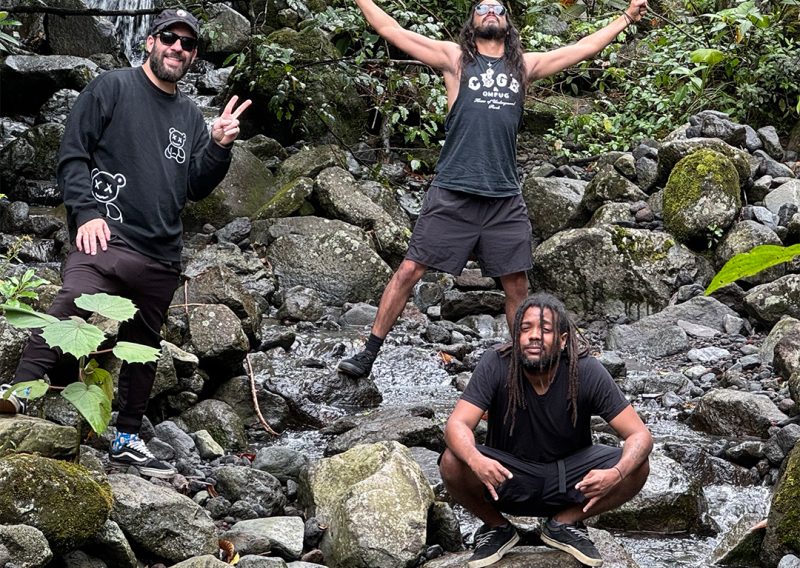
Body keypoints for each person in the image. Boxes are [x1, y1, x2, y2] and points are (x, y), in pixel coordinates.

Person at [337, 0, 649, 379]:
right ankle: (368, 354)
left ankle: (523, 369)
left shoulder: (524, 67)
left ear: (507, 22)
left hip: (503, 197)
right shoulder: (455, 59)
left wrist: (626, 17)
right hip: (453, 190)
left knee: (516, 284)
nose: (490, 11)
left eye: (497, 8)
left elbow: (583, 48)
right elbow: (391, 30)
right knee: (409, 269)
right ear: (472, 21)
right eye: (482, 7)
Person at [0, 9, 251, 479]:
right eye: (170, 38)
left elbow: (196, 186)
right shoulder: (110, 88)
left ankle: (127, 437)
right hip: (106, 235)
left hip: (161, 253)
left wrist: (218, 145)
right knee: (71, 302)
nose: (177, 48)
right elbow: (72, 154)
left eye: (187, 44)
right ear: (150, 41)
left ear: (193, 55)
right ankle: (20, 394)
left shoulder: (190, 115)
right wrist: (86, 212)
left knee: (143, 347)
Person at [439, 293, 652, 567]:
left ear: (562, 340)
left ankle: (563, 523)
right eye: (525, 329)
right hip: (508, 479)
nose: (534, 336)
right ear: (516, 337)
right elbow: (456, 424)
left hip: (570, 481)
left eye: (545, 330)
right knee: (452, 460)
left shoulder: (585, 370)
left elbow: (640, 435)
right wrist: (475, 459)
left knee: (637, 465)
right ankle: (497, 527)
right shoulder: (496, 363)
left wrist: (616, 473)